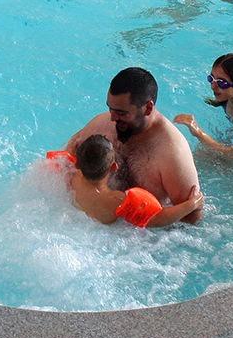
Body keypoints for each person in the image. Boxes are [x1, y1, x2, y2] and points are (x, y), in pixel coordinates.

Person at [62, 68, 203, 223]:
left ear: (148, 108)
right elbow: (69, 157)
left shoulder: (173, 153)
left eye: (122, 113)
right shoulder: (100, 126)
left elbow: (190, 219)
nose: (112, 118)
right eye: (110, 109)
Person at [61, 132, 203, 227]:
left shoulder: (71, 177)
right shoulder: (116, 200)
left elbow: (69, 151)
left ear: (77, 164)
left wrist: (72, 145)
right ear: (114, 167)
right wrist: (192, 204)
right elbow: (157, 219)